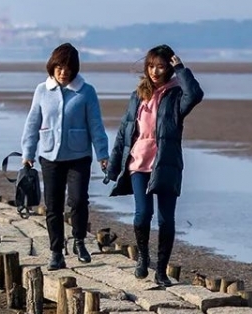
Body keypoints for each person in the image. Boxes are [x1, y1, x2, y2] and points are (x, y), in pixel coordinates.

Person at [106, 45, 203, 285]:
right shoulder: (138, 95)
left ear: (169, 67)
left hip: (165, 163)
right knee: (142, 214)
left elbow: (196, 94)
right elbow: (124, 132)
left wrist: (181, 68)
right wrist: (113, 166)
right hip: (138, 162)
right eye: (151, 66)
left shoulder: (177, 96)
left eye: (161, 66)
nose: (155, 71)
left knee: (165, 219)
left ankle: (161, 270)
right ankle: (142, 258)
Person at [21, 43, 109, 271]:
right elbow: (32, 123)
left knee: (79, 200)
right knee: (53, 206)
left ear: (75, 68)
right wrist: (28, 153)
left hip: (79, 155)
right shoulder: (42, 90)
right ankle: (56, 252)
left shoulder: (86, 91)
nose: (63, 72)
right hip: (50, 156)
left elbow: (96, 125)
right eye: (59, 66)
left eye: (68, 67)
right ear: (52, 66)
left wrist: (103, 154)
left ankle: (79, 241)